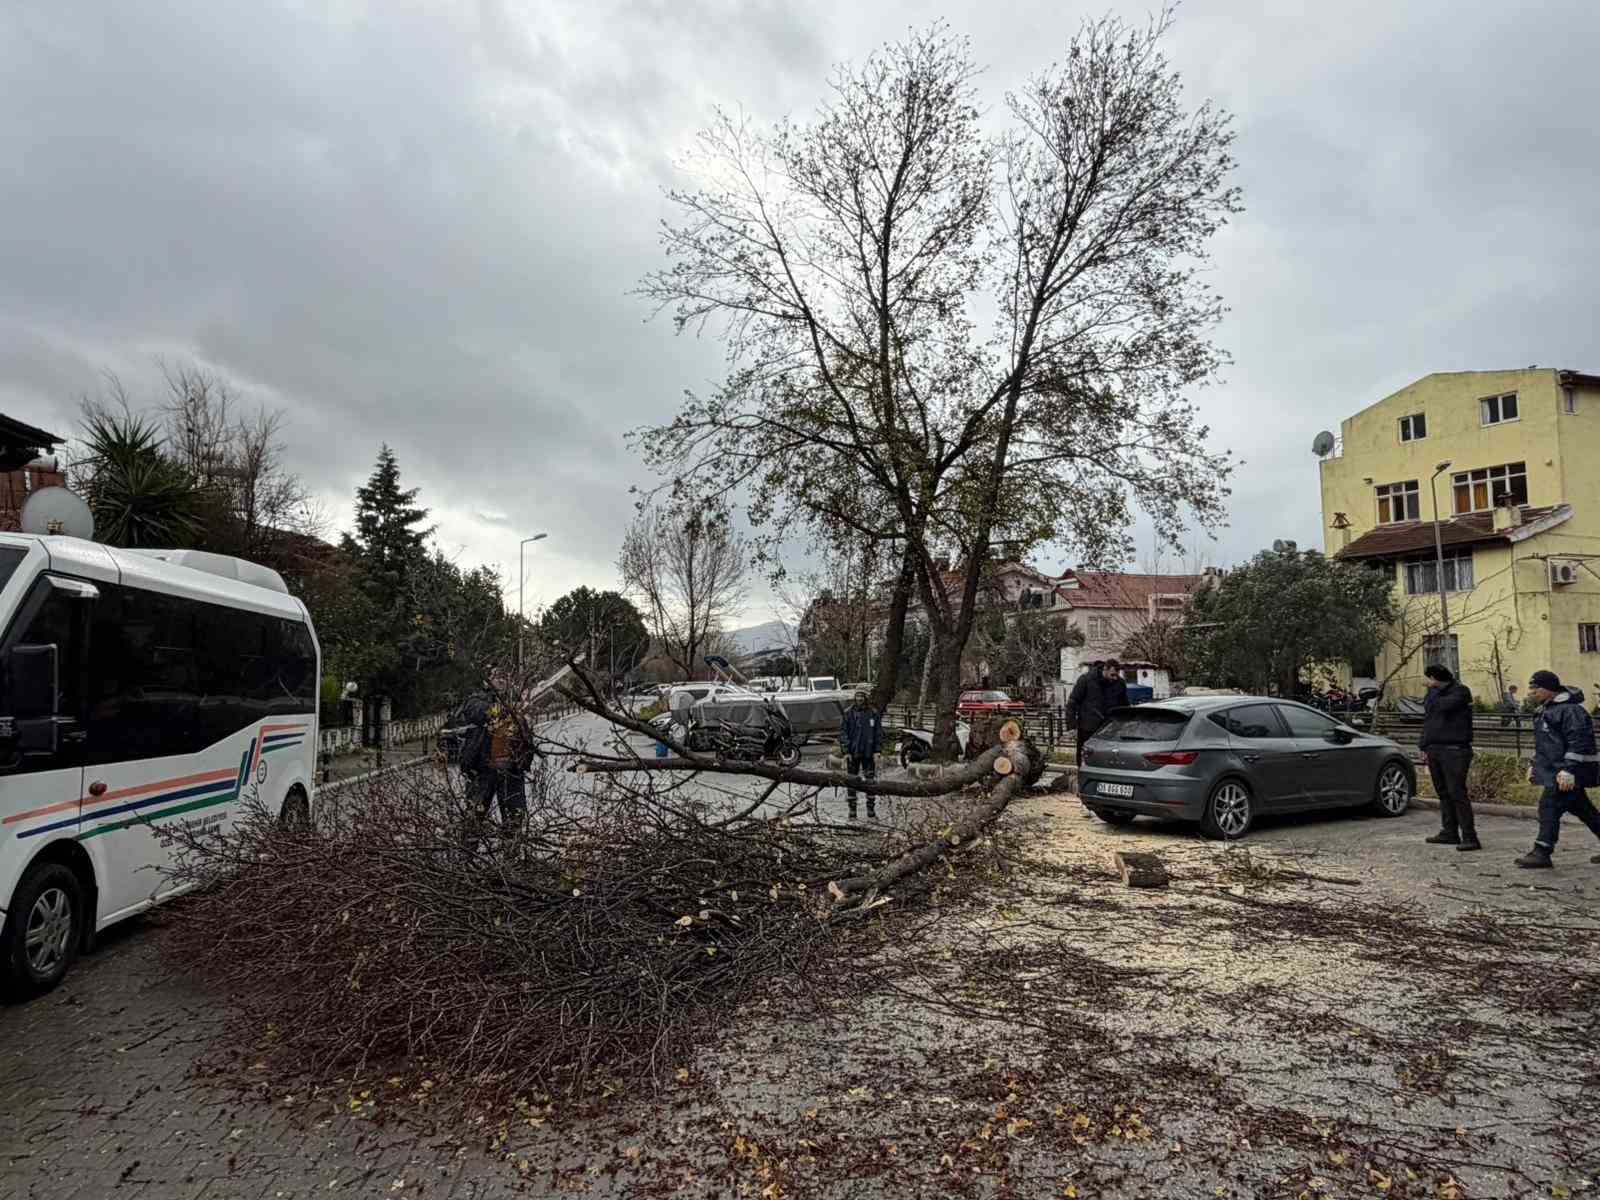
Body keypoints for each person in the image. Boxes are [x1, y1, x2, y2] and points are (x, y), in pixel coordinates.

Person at [1516, 670, 1600, 869]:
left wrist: (1569, 770)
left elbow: (1579, 742)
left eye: (1536, 688)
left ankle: (1542, 851)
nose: (1532, 692)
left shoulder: (1570, 711)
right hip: (1558, 772)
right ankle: (1541, 852)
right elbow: (1545, 745)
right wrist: (1534, 765)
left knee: (1548, 807)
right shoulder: (1548, 709)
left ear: (1549, 689)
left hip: (1564, 773)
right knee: (1585, 811)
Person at [459, 677, 530, 830]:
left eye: (505, 676)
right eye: (497, 677)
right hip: (483, 769)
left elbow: (525, 735)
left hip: (511, 771)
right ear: (487, 680)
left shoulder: (516, 699)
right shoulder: (477, 698)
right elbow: (474, 711)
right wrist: (501, 710)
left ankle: (512, 851)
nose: (502, 681)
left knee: (514, 819)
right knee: (474, 817)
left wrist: (525, 757)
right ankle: (467, 851)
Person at [1419, 664, 1477, 850]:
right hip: (1435, 748)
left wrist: (1433, 690)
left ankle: (1470, 836)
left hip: (1455, 750)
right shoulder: (1433, 693)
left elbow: (1442, 707)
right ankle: (1449, 832)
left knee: (1457, 793)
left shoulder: (1460, 691)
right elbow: (1429, 717)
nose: (1427, 683)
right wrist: (1424, 745)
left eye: (1430, 679)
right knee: (1443, 793)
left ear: (1436, 678)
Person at [839, 690, 884, 821]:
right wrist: (846, 751)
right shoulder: (848, 713)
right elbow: (843, 733)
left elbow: (878, 733)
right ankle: (852, 812)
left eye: (861, 696)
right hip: (853, 753)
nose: (859, 698)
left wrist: (877, 750)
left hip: (869, 752)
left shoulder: (873, 713)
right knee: (851, 781)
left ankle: (871, 811)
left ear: (866, 698)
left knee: (870, 781)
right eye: (857, 696)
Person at [1066, 662, 1103, 766]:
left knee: (1086, 756)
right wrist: (1071, 726)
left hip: (1088, 726)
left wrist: (1071, 726)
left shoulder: (1085, 679)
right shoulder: (1086, 680)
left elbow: (1072, 703)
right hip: (1092, 726)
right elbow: (1072, 703)